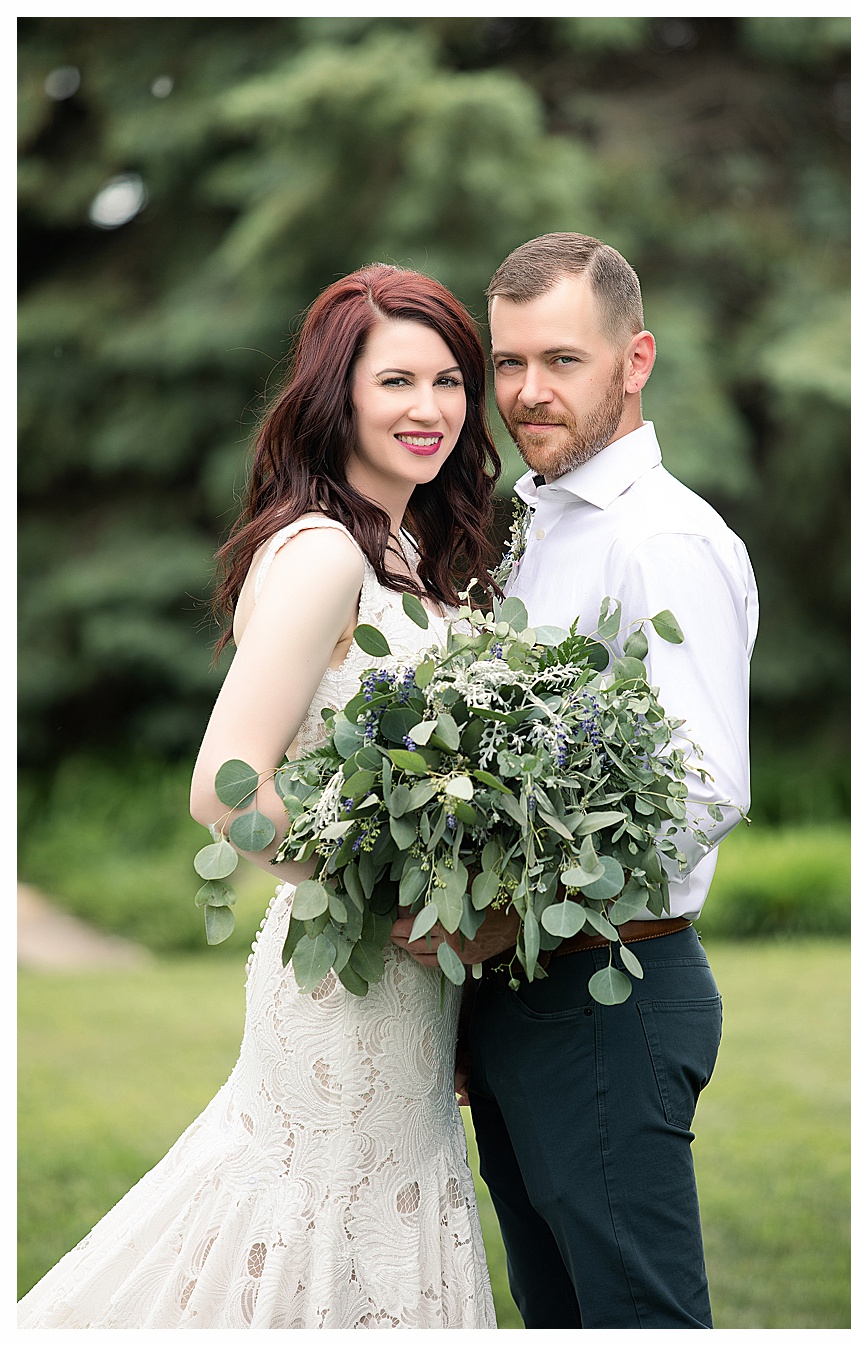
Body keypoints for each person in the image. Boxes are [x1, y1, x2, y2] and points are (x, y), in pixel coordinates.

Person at [18, 264, 506, 1327]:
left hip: (421, 994)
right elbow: (226, 785)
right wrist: (389, 903)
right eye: (397, 382)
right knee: (314, 1233)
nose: (431, 408)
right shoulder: (326, 551)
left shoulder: (415, 547)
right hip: (345, 985)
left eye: (451, 380)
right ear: (339, 394)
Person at [432, 232, 757, 1329]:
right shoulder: (522, 525)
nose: (527, 391)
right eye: (509, 361)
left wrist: (506, 923)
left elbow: (701, 786)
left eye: (562, 360)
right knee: (557, 1310)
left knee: (638, 1317)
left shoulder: (661, 541)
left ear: (636, 358)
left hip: (611, 994)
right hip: (521, 990)